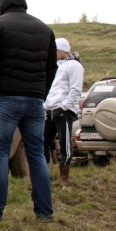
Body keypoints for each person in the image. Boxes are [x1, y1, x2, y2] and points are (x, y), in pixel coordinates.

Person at [0, 0, 58, 223]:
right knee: (36, 155)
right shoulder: (45, 30)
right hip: (35, 101)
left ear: (0, 3)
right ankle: (44, 213)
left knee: (0, 154)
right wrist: (40, 93)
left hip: (5, 99)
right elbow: (51, 68)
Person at [43, 38, 84, 186]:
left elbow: (75, 89)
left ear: (62, 50)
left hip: (64, 110)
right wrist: (46, 106)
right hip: (50, 109)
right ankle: (44, 175)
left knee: (64, 143)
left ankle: (64, 177)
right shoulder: (55, 66)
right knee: (43, 142)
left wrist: (64, 107)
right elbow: (51, 88)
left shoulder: (74, 66)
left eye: (54, 50)